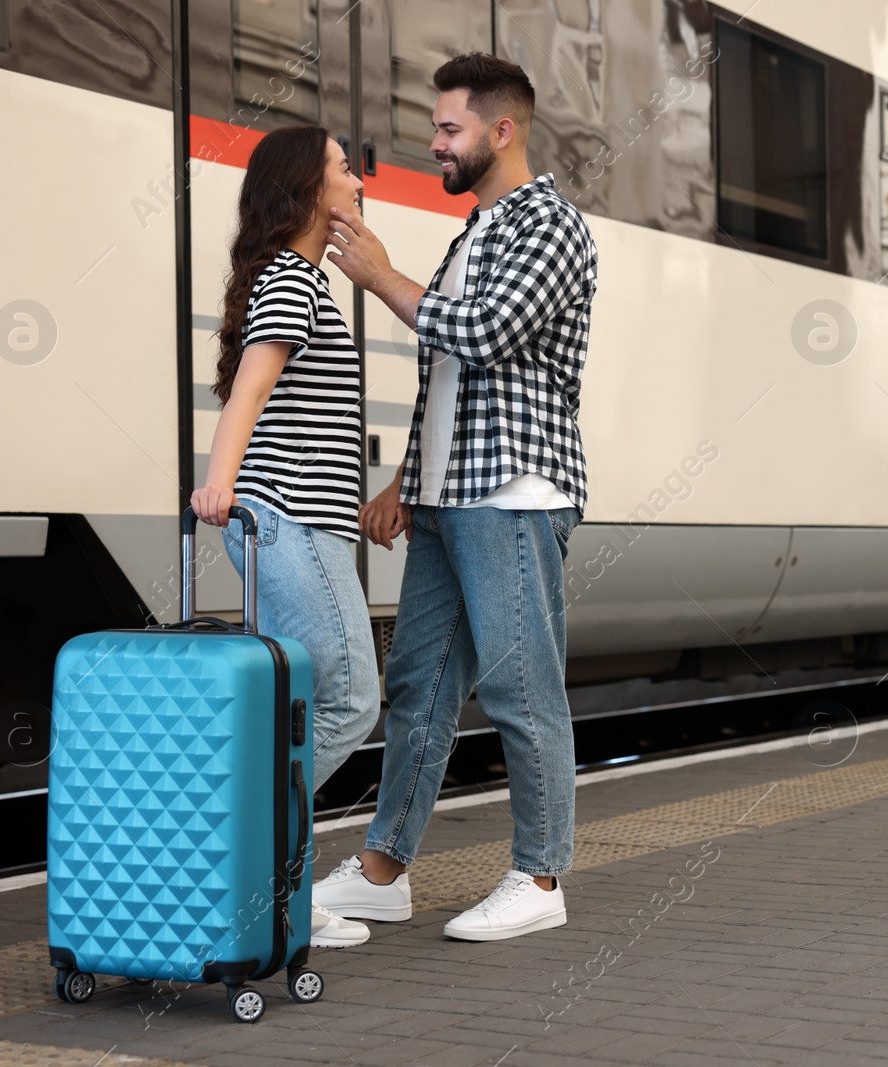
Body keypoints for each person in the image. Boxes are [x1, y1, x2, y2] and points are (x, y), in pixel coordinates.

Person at [313, 53, 598, 941]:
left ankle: (541, 879)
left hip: (514, 495)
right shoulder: (474, 232)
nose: (433, 143)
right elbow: (445, 374)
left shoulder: (550, 227)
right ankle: (384, 869)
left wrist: (380, 275)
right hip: (450, 498)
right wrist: (408, 479)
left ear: (500, 131)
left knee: (520, 687)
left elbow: (477, 333)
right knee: (419, 687)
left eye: (448, 129)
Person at [190, 124, 381, 950]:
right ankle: (267, 872)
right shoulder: (293, 282)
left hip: (301, 526)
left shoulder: (302, 279)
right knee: (345, 699)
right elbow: (250, 389)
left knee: (298, 708)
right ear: (308, 188)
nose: (359, 177)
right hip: (290, 523)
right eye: (345, 167)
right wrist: (220, 483)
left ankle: (268, 886)